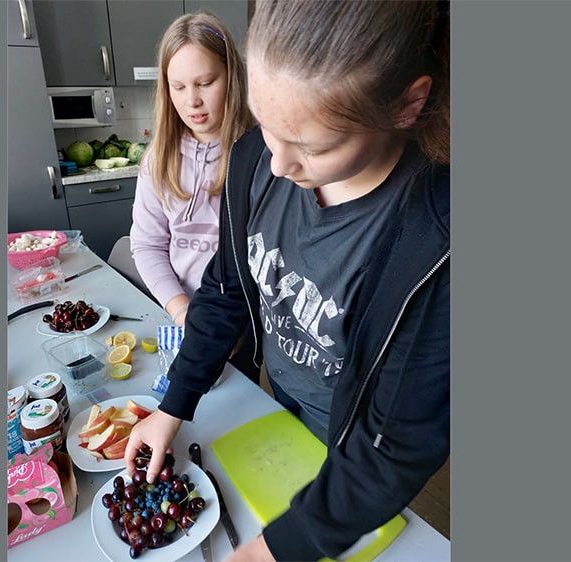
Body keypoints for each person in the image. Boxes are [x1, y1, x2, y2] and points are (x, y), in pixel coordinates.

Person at [125, 0, 450, 560]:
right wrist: (173, 405)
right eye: (268, 126)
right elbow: (226, 291)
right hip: (278, 402)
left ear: (407, 104)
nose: (276, 165)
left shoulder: (439, 237)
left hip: (355, 440)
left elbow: (393, 446)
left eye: (314, 146)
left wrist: (277, 550)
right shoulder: (254, 158)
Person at [129, 12, 261, 383]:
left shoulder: (261, 153)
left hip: (240, 326)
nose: (193, 102)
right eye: (179, 87)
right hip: (178, 314)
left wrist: (234, 323)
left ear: (232, 78)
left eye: (206, 82)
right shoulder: (159, 157)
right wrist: (181, 310)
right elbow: (147, 244)